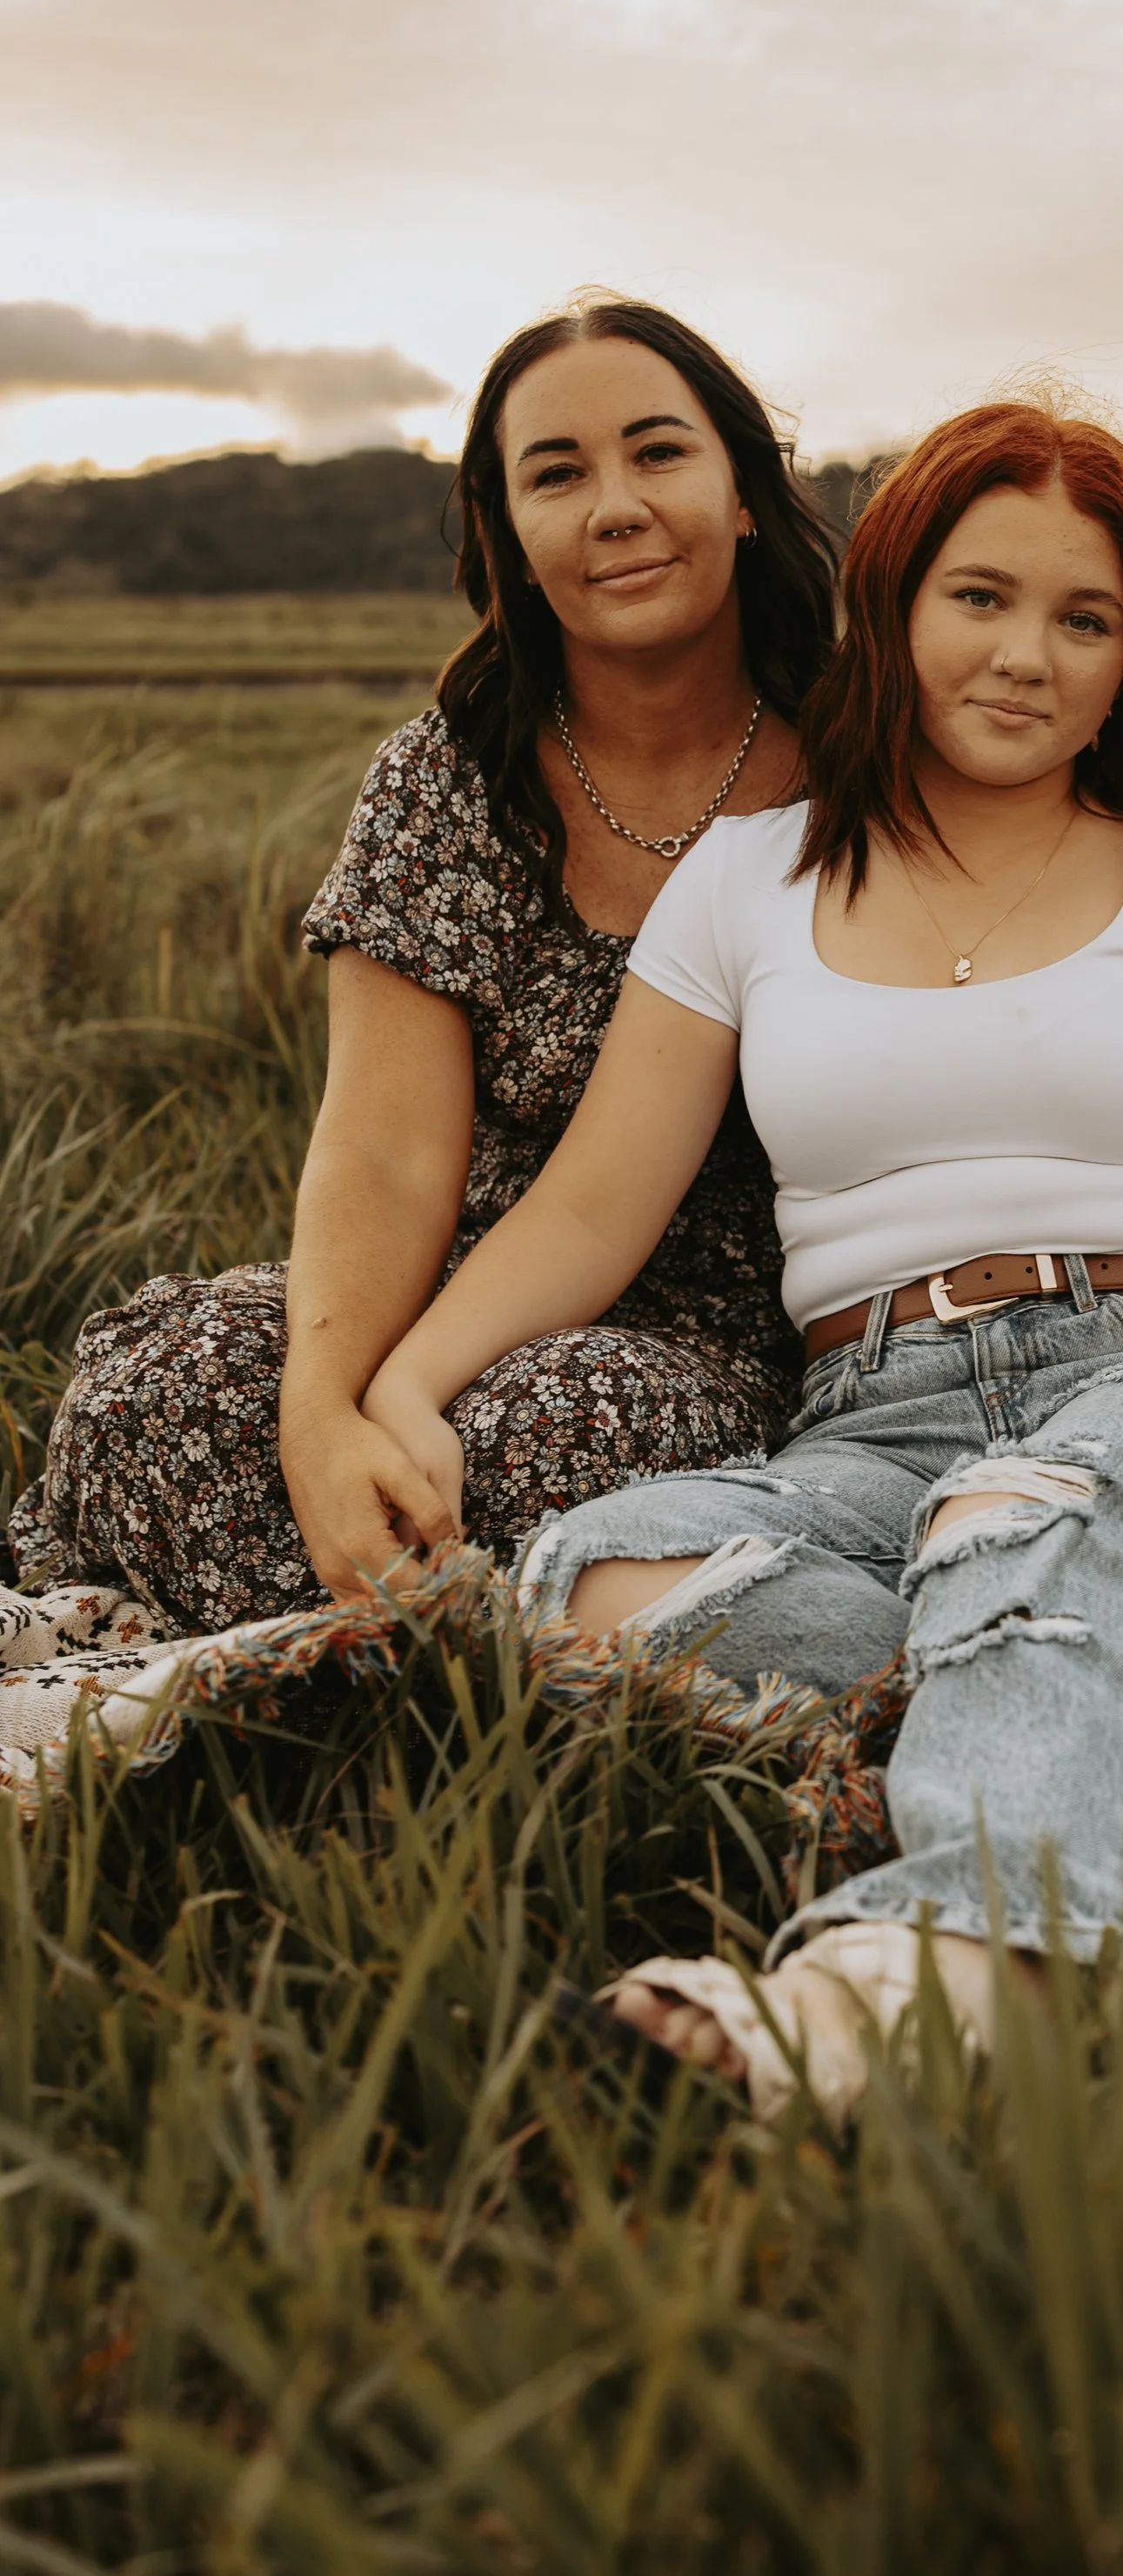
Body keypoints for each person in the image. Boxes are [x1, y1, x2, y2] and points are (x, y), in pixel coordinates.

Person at [362, 399, 1123, 2119]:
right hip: (871, 1413)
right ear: (896, 607)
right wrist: (405, 1379)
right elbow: (592, 1206)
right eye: (980, 598)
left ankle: (907, 1996)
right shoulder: (749, 880)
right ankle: (1109, 1683)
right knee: (596, 1573)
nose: (1026, 656)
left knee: (1026, 1527)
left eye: (1085, 620)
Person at [10, 297, 831, 1632]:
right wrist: (323, 1416)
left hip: (723, 1341)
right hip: (443, 1300)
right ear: (511, 537)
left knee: (541, 1428)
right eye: (556, 474)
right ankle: (417, 1633)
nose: (616, 507)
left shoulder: (866, 764)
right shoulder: (452, 778)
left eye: (658, 452)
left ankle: (326, 1645)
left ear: (742, 493)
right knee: (156, 1393)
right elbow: (384, 1153)